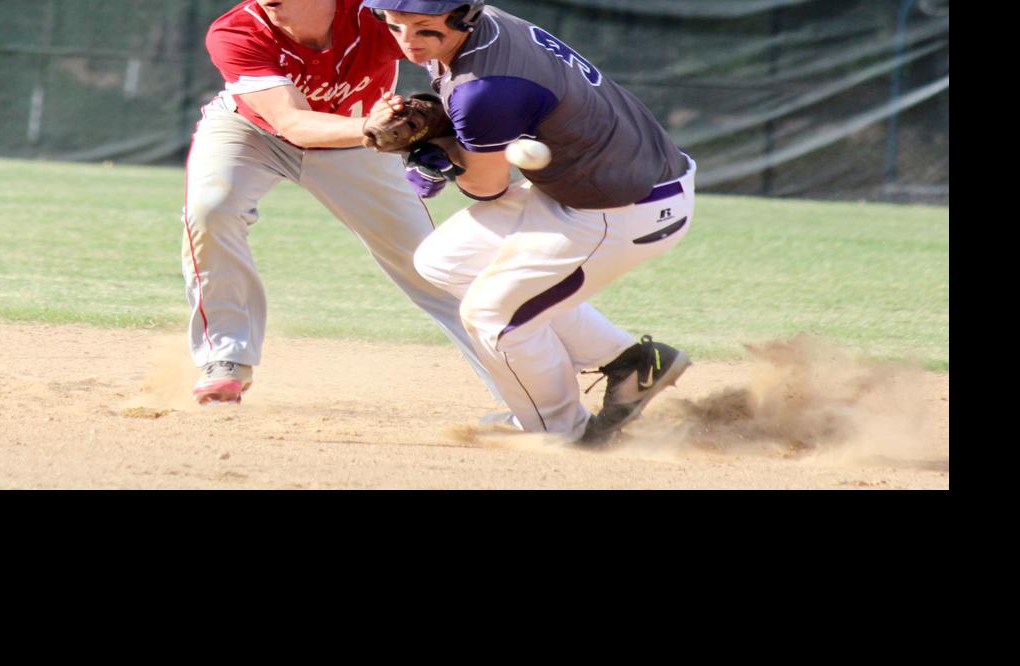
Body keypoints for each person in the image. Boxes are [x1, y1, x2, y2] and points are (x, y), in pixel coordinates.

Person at [359, 0, 695, 444]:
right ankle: (629, 361)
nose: (408, 42)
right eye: (395, 25)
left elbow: (487, 187)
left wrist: (435, 154)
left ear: (464, 14)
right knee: (444, 261)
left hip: (625, 210)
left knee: (491, 316)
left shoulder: (483, 90)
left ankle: (561, 433)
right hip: (592, 184)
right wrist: (445, 137)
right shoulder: (488, 27)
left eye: (423, 27)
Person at [182, 0, 504, 407]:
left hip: (357, 144)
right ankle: (226, 355)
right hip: (253, 133)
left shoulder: (374, 14)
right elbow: (292, 123)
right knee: (211, 210)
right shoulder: (238, 31)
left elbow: (458, 46)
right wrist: (368, 127)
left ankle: (529, 393)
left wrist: (448, 130)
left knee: (429, 265)